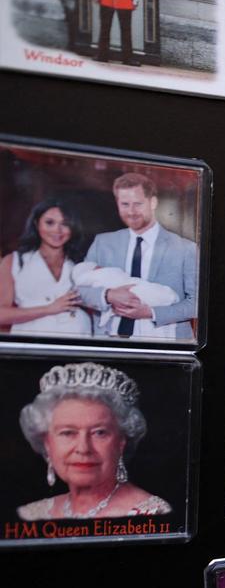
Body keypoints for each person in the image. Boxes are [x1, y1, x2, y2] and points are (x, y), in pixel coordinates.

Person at [17, 361, 170, 520]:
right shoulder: (31, 514)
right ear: (48, 443)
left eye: (99, 433)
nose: (83, 448)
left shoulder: (152, 515)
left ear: (121, 442)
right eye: (68, 433)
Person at [76, 172, 198, 340]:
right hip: (110, 341)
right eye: (125, 204)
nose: (131, 211)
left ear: (153, 202)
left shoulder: (186, 248)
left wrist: (151, 313)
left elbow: (198, 304)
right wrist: (108, 295)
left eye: (138, 204)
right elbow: (78, 291)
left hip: (165, 343)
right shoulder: (103, 242)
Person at [0, 199, 92, 337]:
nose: (57, 230)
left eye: (65, 224)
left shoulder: (81, 262)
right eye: (50, 223)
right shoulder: (15, 261)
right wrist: (49, 309)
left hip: (77, 337)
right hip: (31, 340)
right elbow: (2, 314)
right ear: (36, 223)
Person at [89, 0, 141, 66]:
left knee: (126, 30)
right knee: (105, 28)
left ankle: (127, 58)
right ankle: (102, 55)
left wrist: (134, 0)